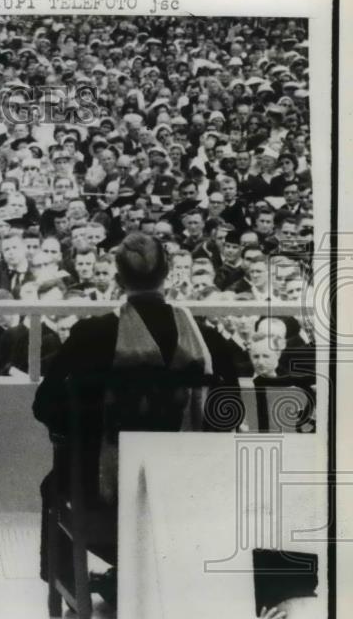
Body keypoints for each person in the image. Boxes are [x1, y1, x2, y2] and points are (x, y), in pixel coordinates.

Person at [33, 233, 240, 597]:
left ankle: (68, 582)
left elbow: (45, 404)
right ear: (169, 273)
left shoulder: (91, 335)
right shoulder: (208, 341)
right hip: (186, 489)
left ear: (117, 278)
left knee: (55, 484)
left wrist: (81, 431)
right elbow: (230, 411)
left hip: (102, 495)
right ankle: (158, 574)